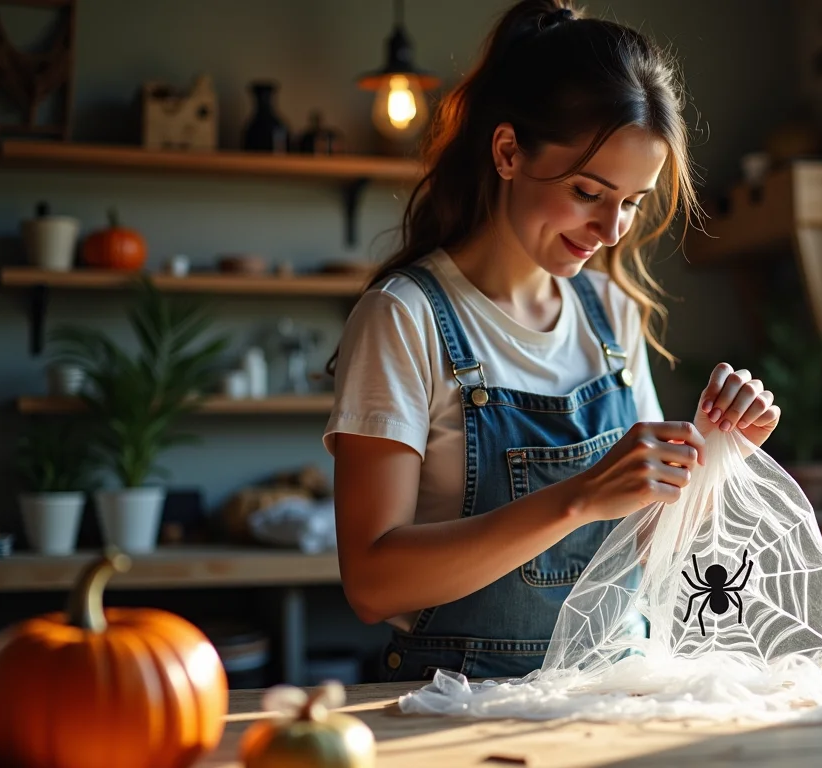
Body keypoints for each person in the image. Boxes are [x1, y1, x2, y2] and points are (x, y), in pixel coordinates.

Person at [324, 0, 782, 683]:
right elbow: (373, 583)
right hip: (459, 709)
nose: (613, 229)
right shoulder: (405, 318)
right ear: (508, 152)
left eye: (632, 201)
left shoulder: (612, 313)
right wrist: (580, 496)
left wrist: (720, 451)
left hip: (615, 691)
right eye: (588, 191)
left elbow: (654, 543)